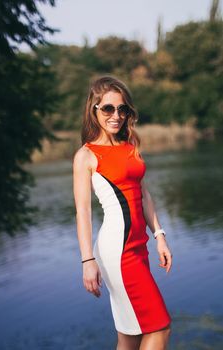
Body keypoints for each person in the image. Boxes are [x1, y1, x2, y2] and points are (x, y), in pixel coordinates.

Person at [73, 75, 173, 350]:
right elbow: (82, 211)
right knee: (160, 327)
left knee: (129, 336)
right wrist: (87, 261)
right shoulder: (87, 155)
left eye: (122, 109)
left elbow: (143, 194)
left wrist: (160, 236)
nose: (116, 115)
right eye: (108, 108)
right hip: (117, 252)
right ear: (94, 110)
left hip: (138, 247)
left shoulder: (129, 147)